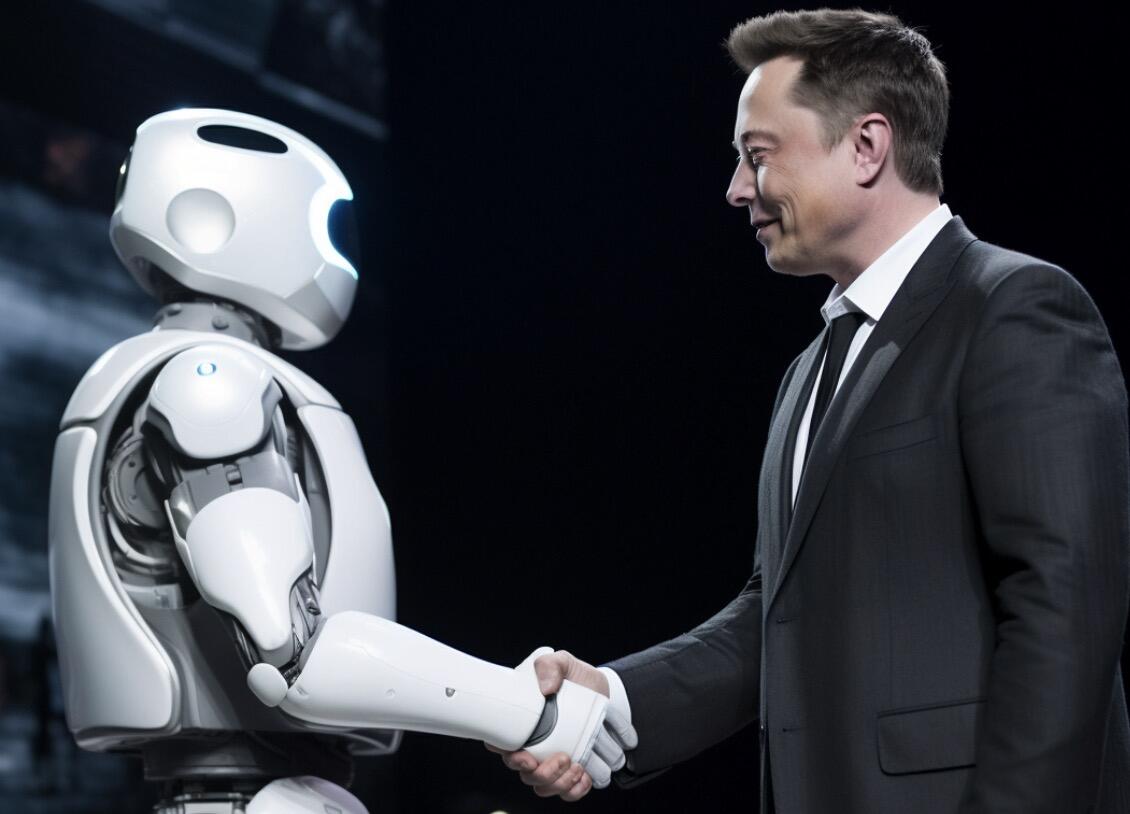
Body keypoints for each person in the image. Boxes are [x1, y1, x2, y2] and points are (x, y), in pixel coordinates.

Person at [486, 8, 1130, 812]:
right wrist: (609, 702)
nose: (736, 189)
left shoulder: (1015, 309)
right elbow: (776, 619)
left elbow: (1064, 613)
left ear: (867, 146)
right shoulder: (807, 373)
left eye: (758, 156)